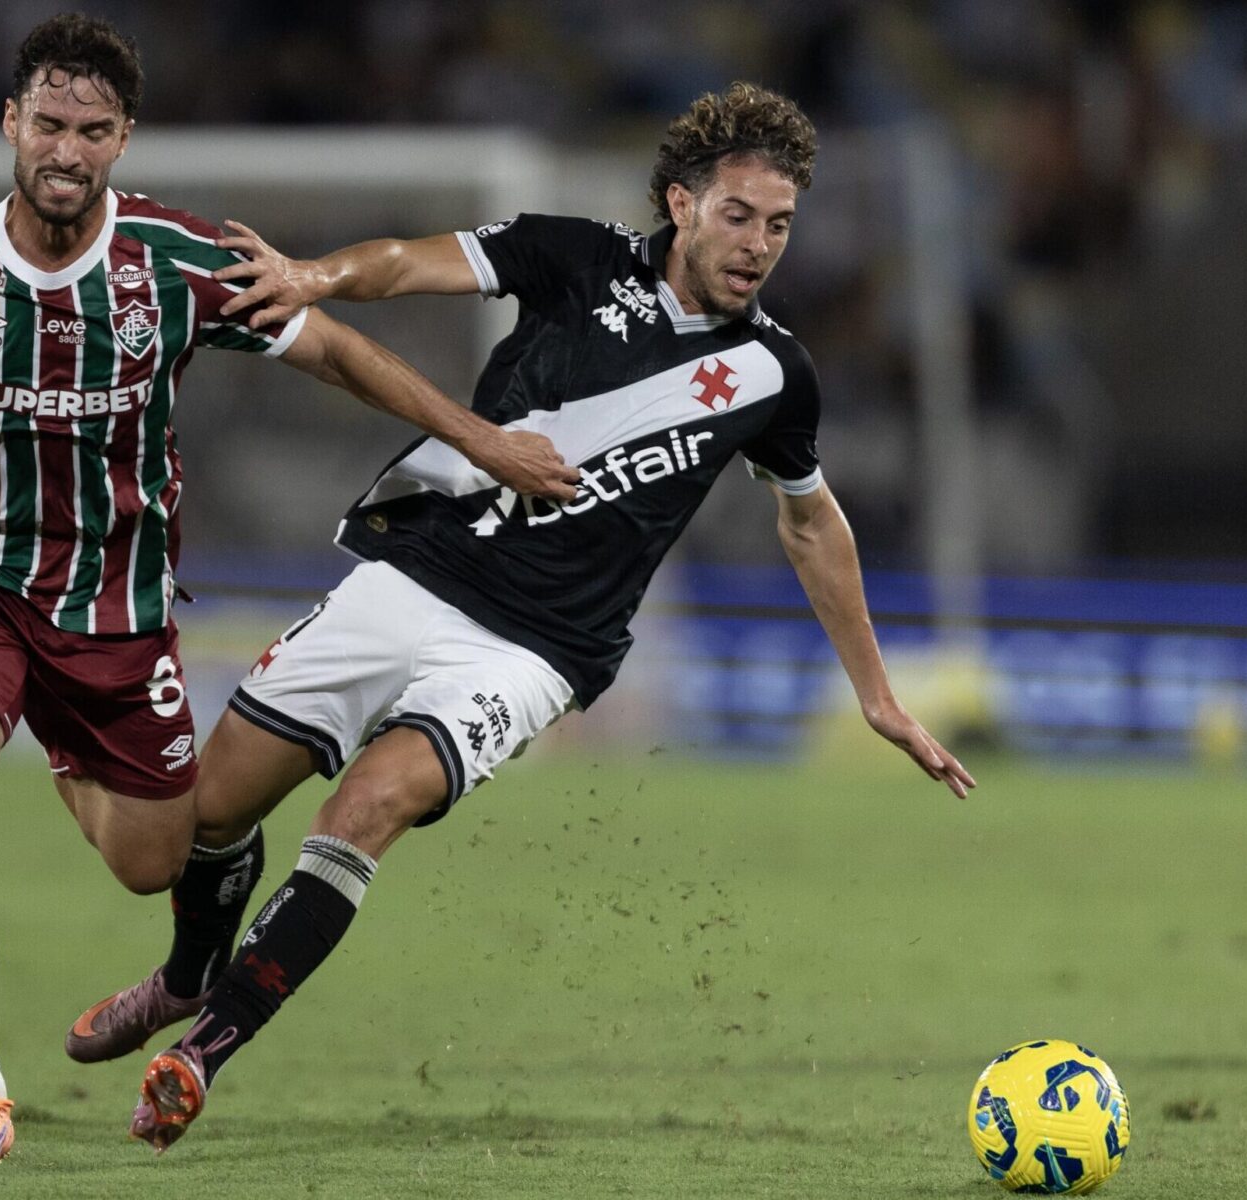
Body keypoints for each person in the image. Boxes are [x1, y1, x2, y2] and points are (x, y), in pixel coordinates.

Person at [56, 81, 979, 1152]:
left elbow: (812, 524)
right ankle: (186, 977)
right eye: (739, 215)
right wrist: (313, 276)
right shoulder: (574, 256)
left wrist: (877, 696)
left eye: (779, 225)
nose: (759, 245)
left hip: (537, 651)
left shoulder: (775, 373)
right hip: (417, 571)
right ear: (682, 203)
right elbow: (405, 265)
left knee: (371, 805)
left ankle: (202, 1052)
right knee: (209, 816)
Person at [0, 14, 576, 1167]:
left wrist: (481, 439)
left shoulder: (177, 262)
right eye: (49, 124)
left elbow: (338, 352)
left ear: (123, 139)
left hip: (114, 608)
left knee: (152, 860)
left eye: (92, 130)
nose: (67, 150)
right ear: (11, 124)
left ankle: (68, 750)